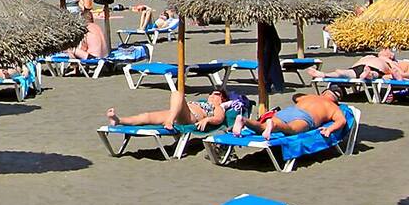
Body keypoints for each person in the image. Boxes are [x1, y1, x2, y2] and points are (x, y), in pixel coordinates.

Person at [230, 87, 349, 139]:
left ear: (324, 93)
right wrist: (329, 129)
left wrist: (310, 96)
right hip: (305, 117)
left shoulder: (310, 97)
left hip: (289, 111)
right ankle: (274, 125)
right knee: (291, 129)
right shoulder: (333, 107)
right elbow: (342, 121)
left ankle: (243, 120)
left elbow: (295, 96)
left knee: (262, 127)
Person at [105, 89, 243, 131]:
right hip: (177, 112)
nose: (213, 96)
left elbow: (219, 119)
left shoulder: (218, 107)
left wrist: (207, 119)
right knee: (146, 117)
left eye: (217, 94)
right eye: (211, 93)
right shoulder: (201, 102)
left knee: (177, 93)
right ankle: (118, 120)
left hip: (190, 116)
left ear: (223, 99)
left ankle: (170, 121)